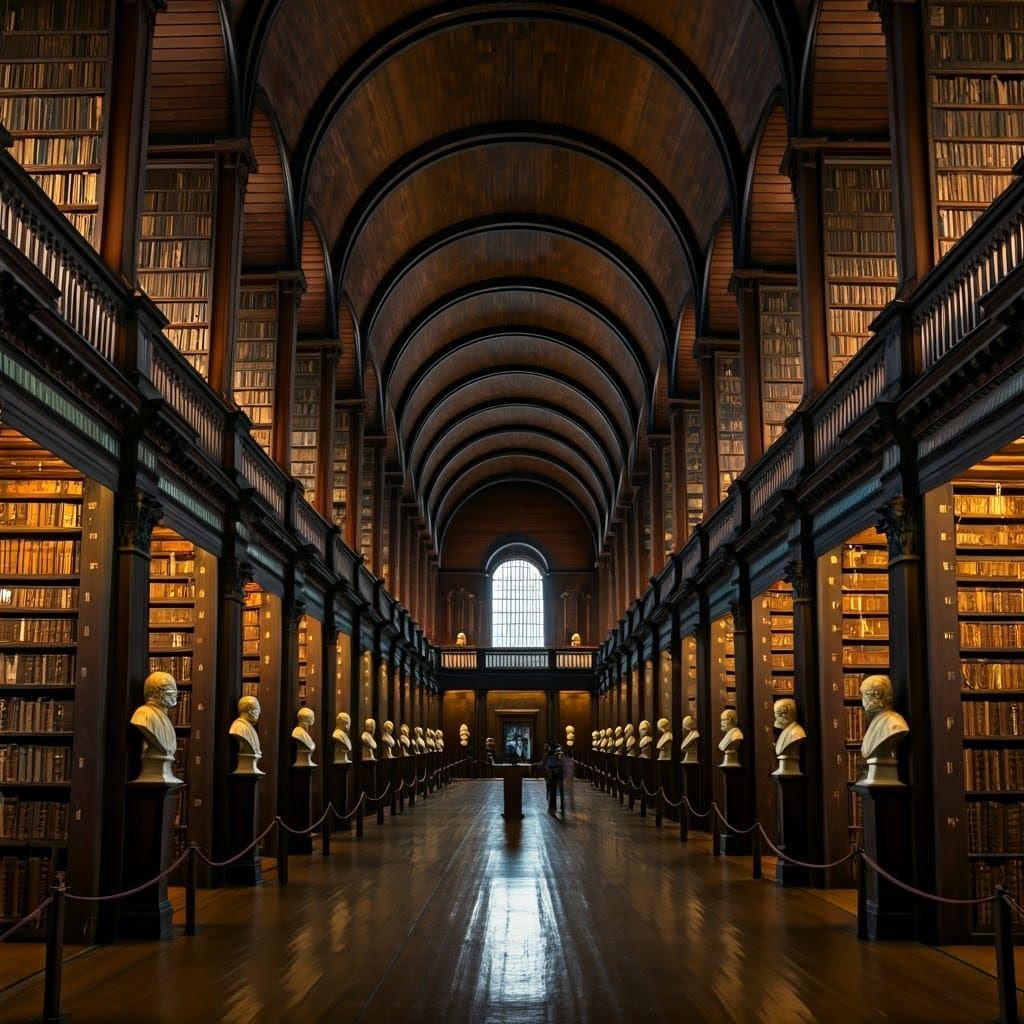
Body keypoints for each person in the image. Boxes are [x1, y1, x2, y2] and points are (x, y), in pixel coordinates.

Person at [541, 742, 565, 814]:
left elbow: (543, 763)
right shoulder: (557, 755)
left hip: (552, 774)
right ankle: (556, 807)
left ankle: (552, 807)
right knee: (556, 791)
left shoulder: (549, 755)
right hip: (555, 774)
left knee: (552, 791)